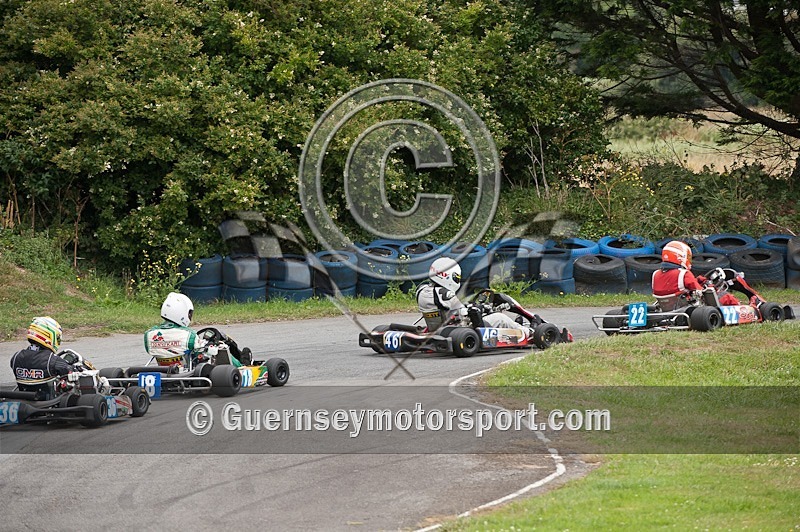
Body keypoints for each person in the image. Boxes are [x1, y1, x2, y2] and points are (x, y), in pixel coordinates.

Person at [416, 257, 535, 338]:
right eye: (456, 277)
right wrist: (482, 308)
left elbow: (452, 309)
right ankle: (529, 331)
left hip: (437, 328)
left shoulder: (421, 290)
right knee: (500, 318)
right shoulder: (445, 294)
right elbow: (463, 313)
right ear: (447, 276)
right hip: (457, 331)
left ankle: (518, 326)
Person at [144, 292, 252, 367]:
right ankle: (241, 366)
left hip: (163, 368)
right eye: (189, 313)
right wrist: (213, 344)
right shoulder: (188, 335)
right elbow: (201, 351)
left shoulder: (149, 334)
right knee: (219, 347)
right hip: (187, 370)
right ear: (181, 312)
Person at [652, 241, 762, 308]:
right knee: (723, 295)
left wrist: (698, 279)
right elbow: (699, 291)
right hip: (689, 305)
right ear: (680, 257)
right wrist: (708, 285)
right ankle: (743, 308)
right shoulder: (684, 274)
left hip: (669, 307)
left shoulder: (656, 274)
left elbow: (673, 286)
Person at [10, 316, 75, 398]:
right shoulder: (51, 360)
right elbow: (69, 370)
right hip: (48, 404)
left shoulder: (16, 357)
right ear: (49, 335)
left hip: (24, 400)